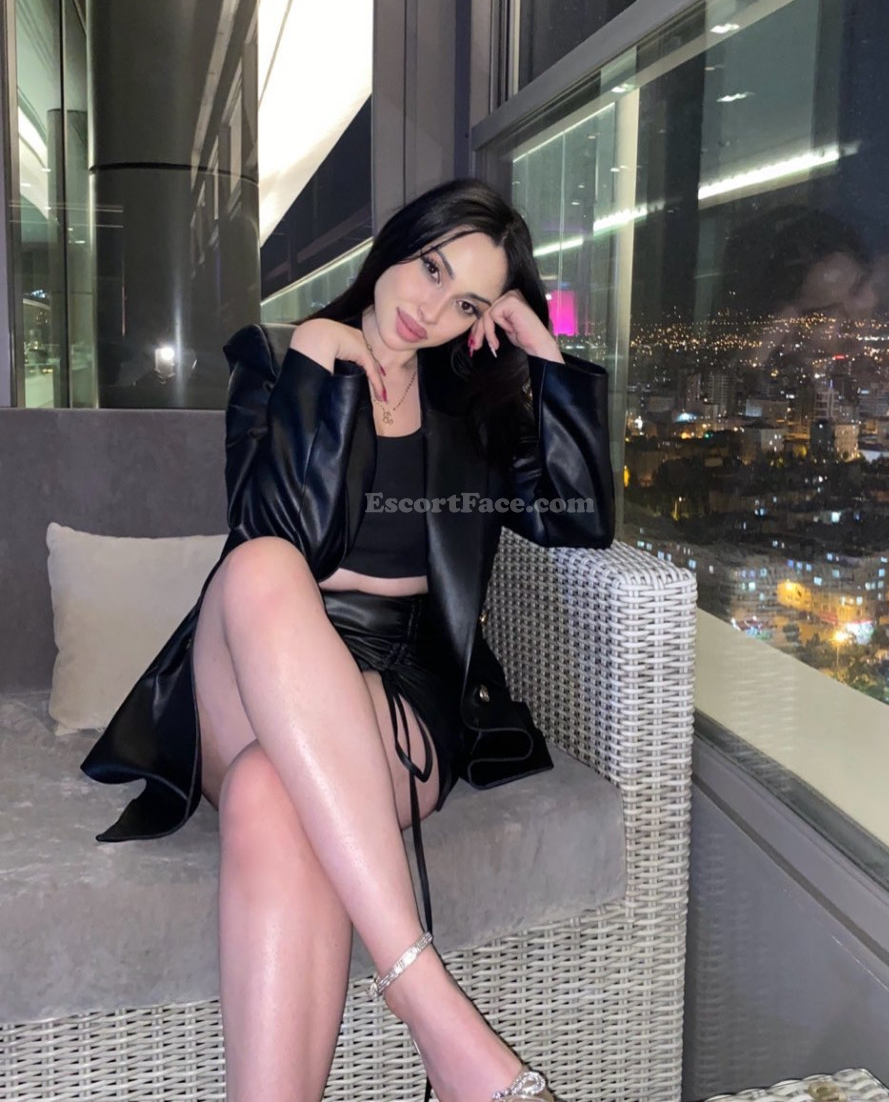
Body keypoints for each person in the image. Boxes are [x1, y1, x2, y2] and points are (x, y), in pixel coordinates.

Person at [81, 178, 615, 1102]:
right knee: (260, 569)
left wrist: (544, 356)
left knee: (268, 792)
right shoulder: (277, 361)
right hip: (252, 668)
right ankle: (432, 1009)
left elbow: (578, 520)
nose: (432, 311)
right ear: (398, 243)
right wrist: (318, 371)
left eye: (469, 305)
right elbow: (277, 530)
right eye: (432, 269)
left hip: (401, 683)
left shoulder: (469, 407)